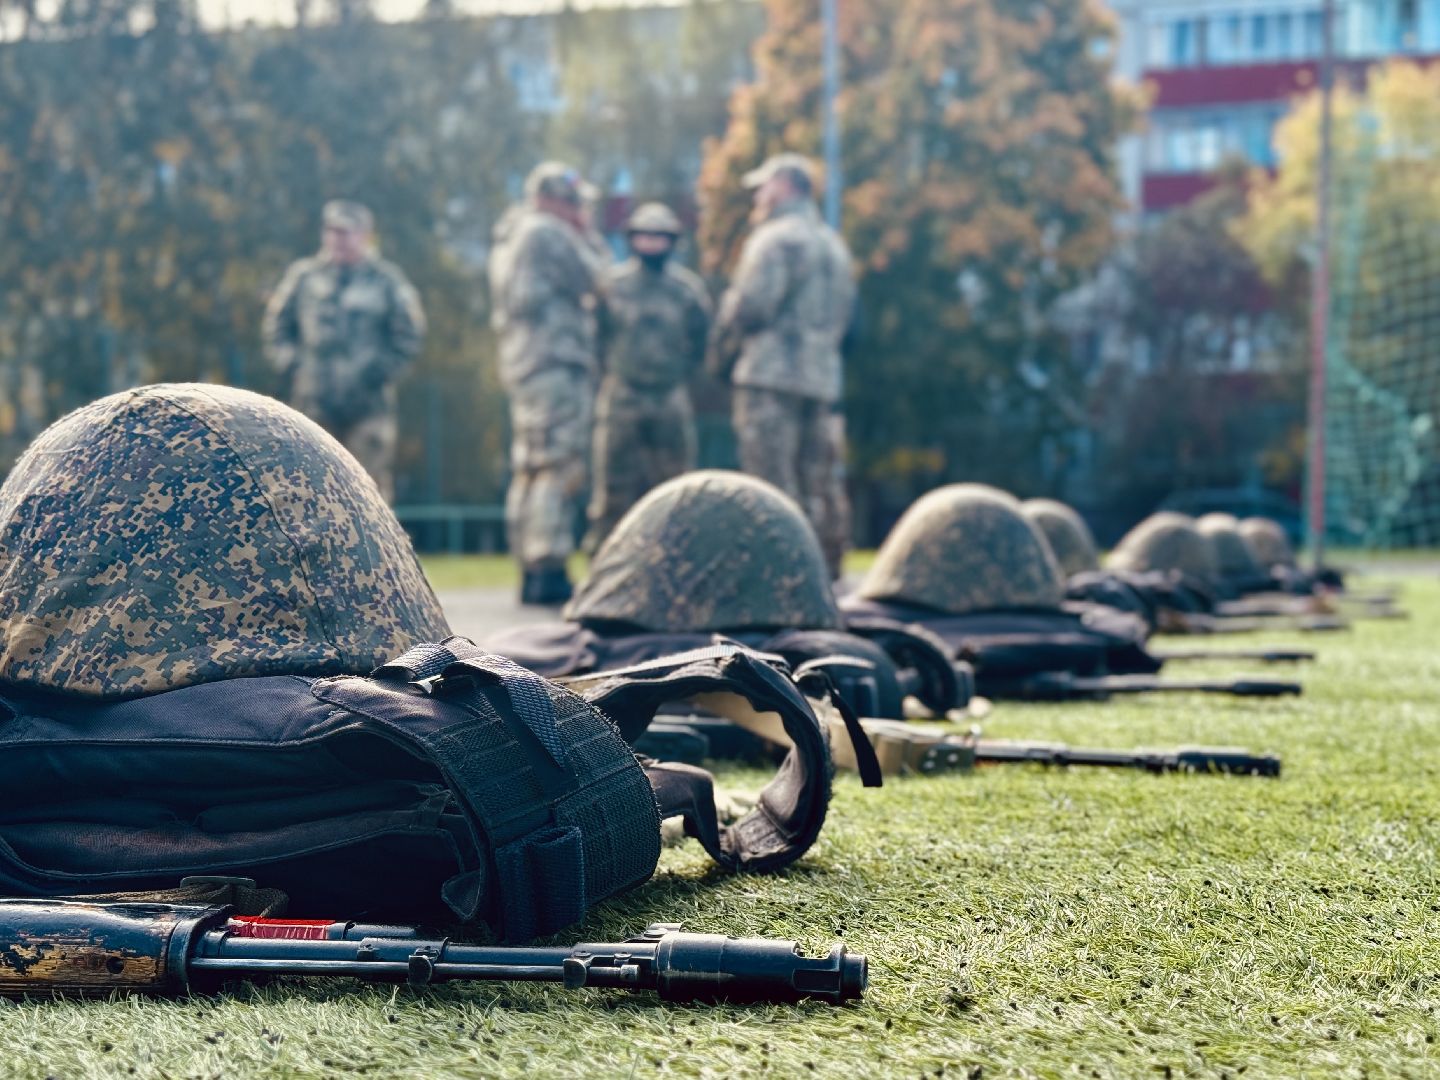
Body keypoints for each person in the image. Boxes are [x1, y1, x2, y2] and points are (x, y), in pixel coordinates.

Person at [710, 152, 856, 577]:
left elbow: (753, 305)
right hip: (821, 378)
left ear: (788, 186)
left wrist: (726, 319)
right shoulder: (834, 245)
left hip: (770, 374)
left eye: (764, 186)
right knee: (820, 481)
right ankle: (827, 569)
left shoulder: (776, 238)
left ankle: (779, 574)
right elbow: (846, 318)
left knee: (771, 481)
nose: (758, 195)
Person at [489, 163, 604, 606]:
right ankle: (549, 566)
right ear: (558, 200)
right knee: (558, 463)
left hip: (526, 362)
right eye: (576, 203)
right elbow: (599, 280)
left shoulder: (512, 235)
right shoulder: (550, 233)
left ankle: (530, 564)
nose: (580, 210)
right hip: (556, 360)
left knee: (531, 464)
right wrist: (588, 234)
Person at [262, 200, 426, 503]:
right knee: (309, 488)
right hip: (313, 405)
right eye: (332, 231)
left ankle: (375, 552)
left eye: (346, 232)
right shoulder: (304, 277)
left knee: (367, 492)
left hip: (367, 407)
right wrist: (291, 365)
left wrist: (381, 371)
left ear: (365, 236)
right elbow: (277, 326)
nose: (337, 239)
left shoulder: (386, 281)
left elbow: (409, 334)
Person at [584, 202, 711, 552]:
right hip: (622, 392)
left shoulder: (687, 290)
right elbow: (595, 337)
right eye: (644, 236)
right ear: (632, 239)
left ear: (672, 241)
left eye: (659, 237)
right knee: (612, 484)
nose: (651, 244)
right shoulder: (612, 285)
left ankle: (673, 561)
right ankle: (605, 560)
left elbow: (701, 341)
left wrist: (680, 374)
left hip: (670, 394)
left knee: (675, 487)